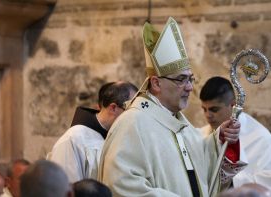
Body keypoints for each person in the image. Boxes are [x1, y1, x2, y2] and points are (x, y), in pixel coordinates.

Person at [99, 17, 246, 197]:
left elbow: (202, 168)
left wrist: (219, 140)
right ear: (156, 83)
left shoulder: (180, 124)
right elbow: (120, 185)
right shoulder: (132, 124)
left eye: (190, 79)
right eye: (181, 79)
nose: (190, 87)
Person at [199, 76, 271, 196]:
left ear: (233, 105)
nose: (208, 115)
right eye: (204, 109)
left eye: (214, 109)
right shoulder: (201, 134)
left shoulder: (262, 139)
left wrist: (229, 180)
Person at [48, 81, 138, 182]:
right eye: (131, 111)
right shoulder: (73, 140)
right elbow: (67, 189)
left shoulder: (122, 138)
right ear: (113, 108)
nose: (134, 118)